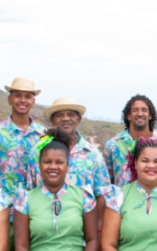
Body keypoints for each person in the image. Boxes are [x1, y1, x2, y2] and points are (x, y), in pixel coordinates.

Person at [0, 76, 46, 251]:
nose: (22, 100)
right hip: (4, 211)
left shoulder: (44, 135)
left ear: (33, 102)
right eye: (17, 95)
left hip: (36, 211)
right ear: (9, 99)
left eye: (27, 96)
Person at [29, 97, 111, 228]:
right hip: (45, 229)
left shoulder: (93, 155)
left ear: (78, 119)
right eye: (60, 115)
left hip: (84, 232)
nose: (66, 118)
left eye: (71, 114)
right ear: (52, 120)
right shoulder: (37, 152)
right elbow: (31, 191)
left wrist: (97, 229)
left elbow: (102, 195)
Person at [103, 94, 157, 186]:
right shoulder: (112, 146)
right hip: (122, 200)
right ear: (128, 116)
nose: (140, 114)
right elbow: (105, 184)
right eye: (135, 110)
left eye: (144, 110)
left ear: (150, 116)